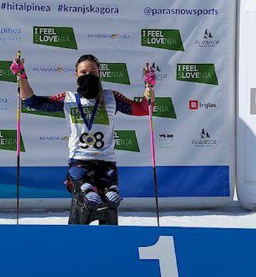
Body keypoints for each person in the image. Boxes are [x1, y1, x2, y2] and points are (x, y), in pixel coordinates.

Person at [12, 54, 155, 224]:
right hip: (80, 161)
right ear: (76, 75)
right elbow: (32, 102)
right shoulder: (69, 99)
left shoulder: (111, 97)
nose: (88, 75)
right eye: (83, 72)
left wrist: (149, 86)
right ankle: (86, 198)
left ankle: (109, 202)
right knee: (87, 194)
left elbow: (144, 109)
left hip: (106, 162)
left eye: (92, 72)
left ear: (99, 73)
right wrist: (21, 76)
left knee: (111, 198)